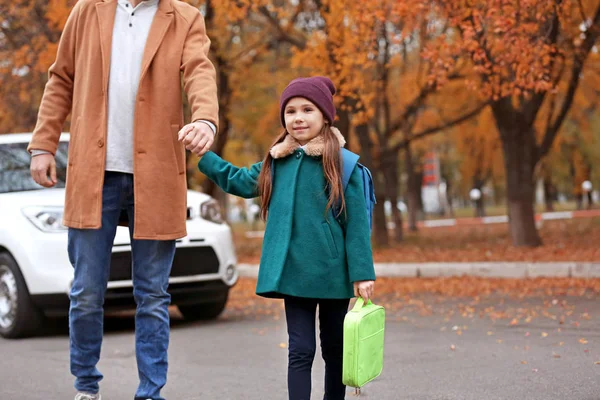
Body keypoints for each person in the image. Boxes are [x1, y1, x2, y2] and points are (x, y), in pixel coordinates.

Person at [27, 1, 219, 399]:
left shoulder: (185, 17)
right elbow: (61, 78)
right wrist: (43, 144)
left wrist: (204, 118)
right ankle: (86, 386)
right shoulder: (87, 11)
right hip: (94, 171)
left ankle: (150, 392)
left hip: (157, 173)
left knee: (152, 295)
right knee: (86, 292)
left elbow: (200, 71)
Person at [194, 76, 376, 400]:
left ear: (325, 115)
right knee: (300, 350)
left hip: (334, 274)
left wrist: (362, 273)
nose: (298, 117)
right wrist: (205, 155)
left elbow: (357, 226)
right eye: (290, 111)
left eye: (307, 109)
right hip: (294, 274)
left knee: (334, 350)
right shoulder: (275, 163)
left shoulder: (342, 164)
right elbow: (237, 180)